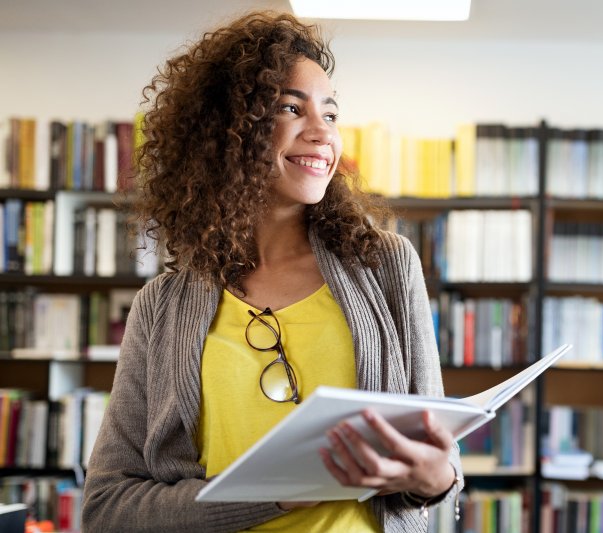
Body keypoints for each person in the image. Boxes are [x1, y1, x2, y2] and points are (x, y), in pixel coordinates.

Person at [81, 10, 463, 533]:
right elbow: (107, 506)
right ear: (229, 130)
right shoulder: (162, 305)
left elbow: (441, 467)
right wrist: (273, 495)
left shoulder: (387, 266)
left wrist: (437, 477)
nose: (322, 134)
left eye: (330, 115)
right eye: (291, 107)